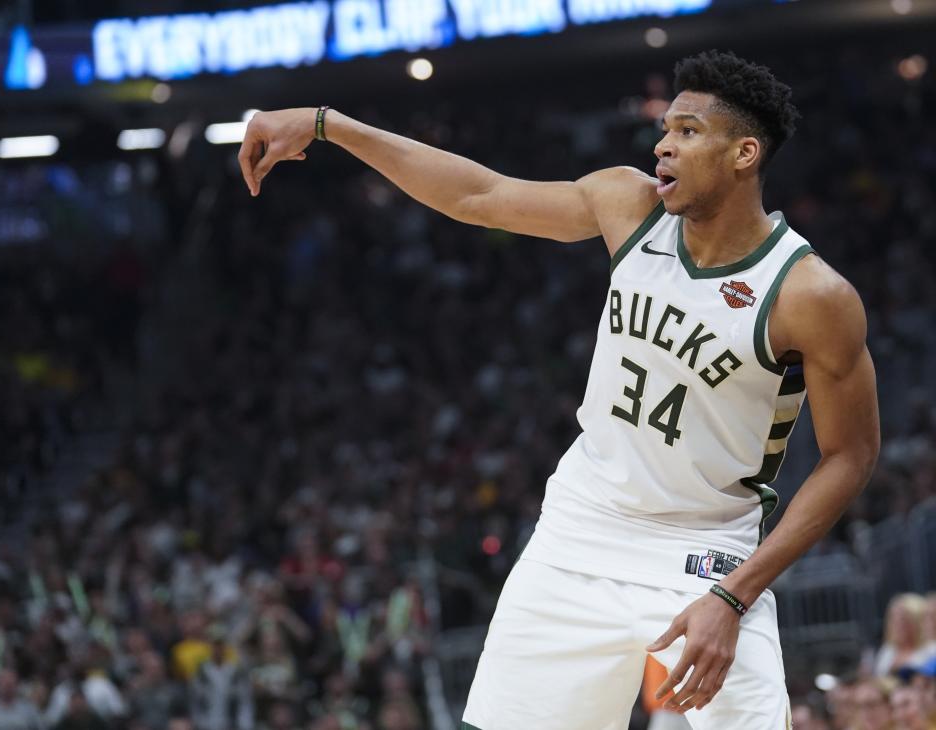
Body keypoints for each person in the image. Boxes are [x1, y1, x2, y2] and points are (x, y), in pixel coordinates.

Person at [237, 49, 880, 729]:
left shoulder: (810, 294)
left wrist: (736, 595)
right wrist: (327, 123)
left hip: (708, 551)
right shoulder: (627, 205)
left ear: (744, 153)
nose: (663, 144)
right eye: (664, 128)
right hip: (579, 531)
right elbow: (476, 196)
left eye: (688, 131)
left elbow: (851, 456)